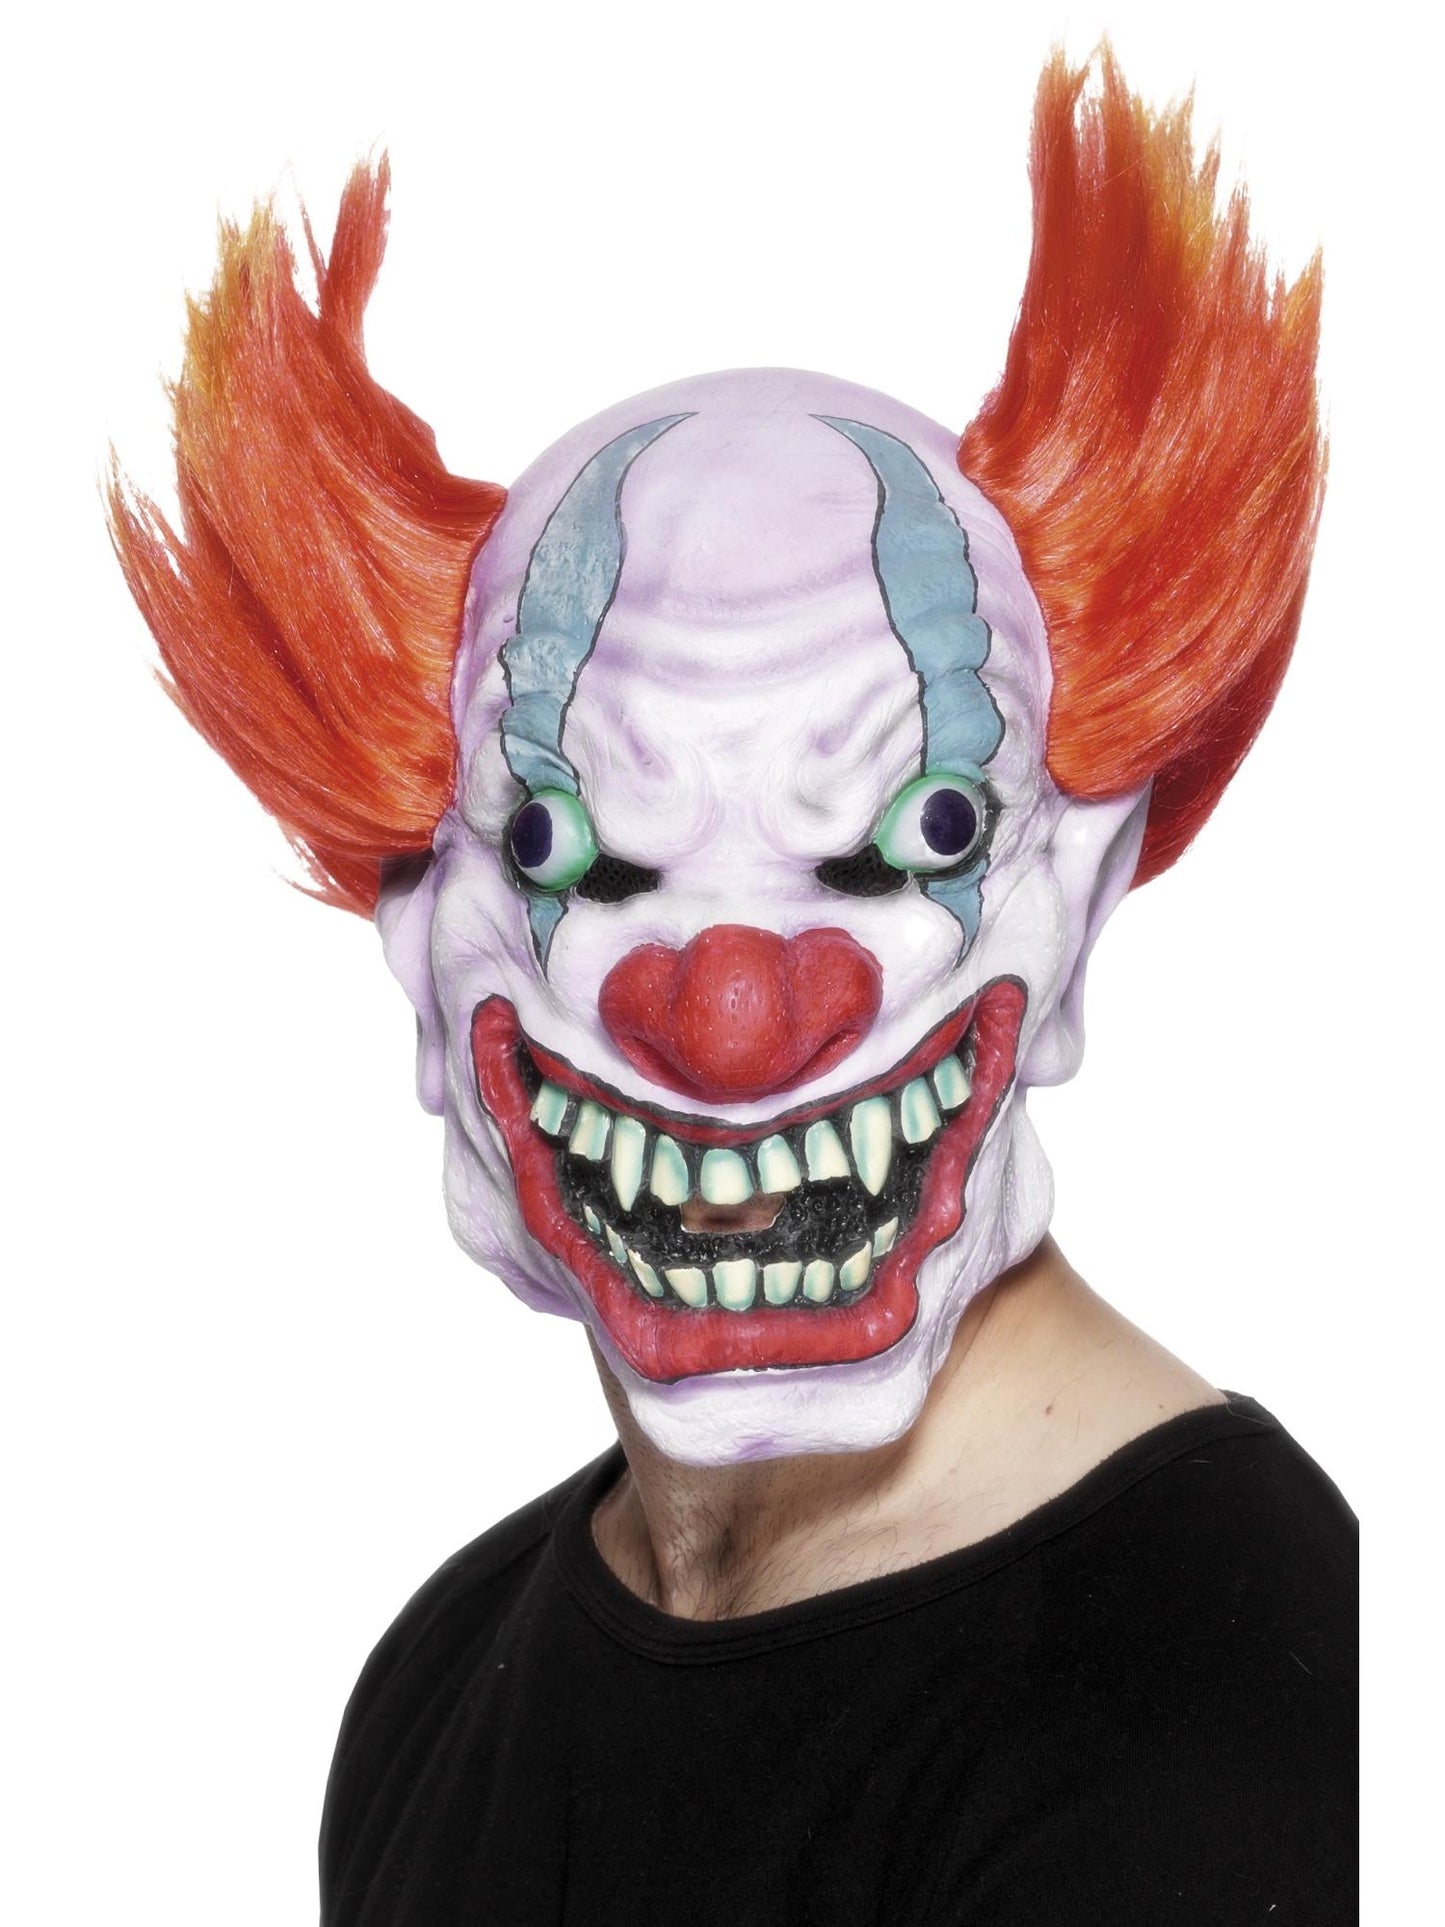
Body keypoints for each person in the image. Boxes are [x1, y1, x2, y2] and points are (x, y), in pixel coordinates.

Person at [109, 48, 1356, 1925]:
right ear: (421, 934)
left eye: (914, 830)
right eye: (571, 850)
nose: (734, 1015)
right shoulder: (441, 1674)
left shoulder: (1225, 1717)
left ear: (1074, 900)